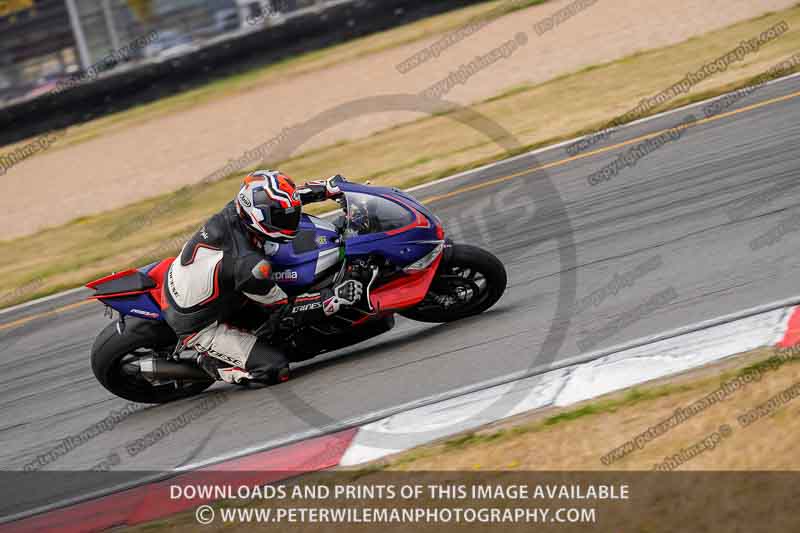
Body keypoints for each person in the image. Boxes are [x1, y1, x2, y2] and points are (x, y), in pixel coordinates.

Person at [163, 170, 363, 384]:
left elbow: (285, 202)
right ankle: (213, 364)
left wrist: (326, 189)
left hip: (201, 283)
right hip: (200, 324)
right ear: (261, 219)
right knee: (274, 369)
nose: (291, 220)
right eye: (283, 218)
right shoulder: (249, 267)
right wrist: (330, 299)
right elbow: (284, 309)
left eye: (291, 214)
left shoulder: (240, 209)